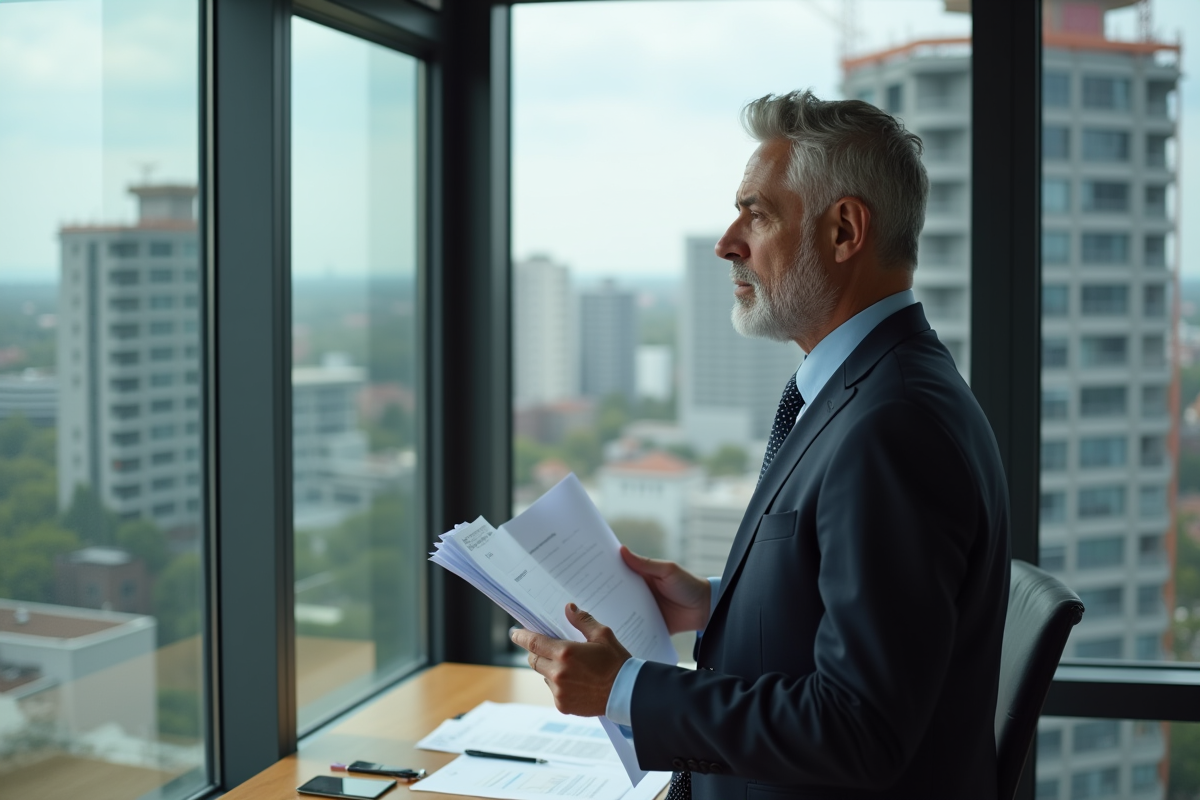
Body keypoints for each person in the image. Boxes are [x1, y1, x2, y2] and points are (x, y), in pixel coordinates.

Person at [510, 90, 1011, 800]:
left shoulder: (892, 425)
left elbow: (858, 729)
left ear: (844, 231)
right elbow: (866, 611)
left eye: (758, 214)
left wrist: (624, 690)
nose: (728, 242)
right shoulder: (871, 390)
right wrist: (718, 602)